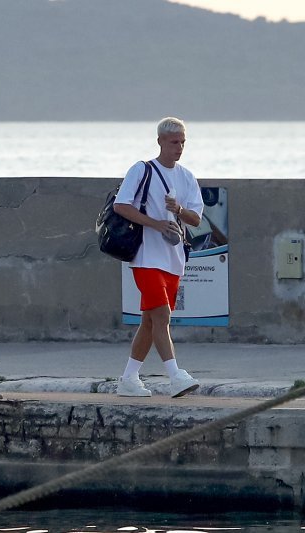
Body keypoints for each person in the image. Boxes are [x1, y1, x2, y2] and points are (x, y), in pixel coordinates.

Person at [112, 117, 204, 398]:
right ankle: (175, 376)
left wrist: (177, 210)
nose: (179, 147)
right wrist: (154, 223)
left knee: (150, 321)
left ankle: (128, 378)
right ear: (161, 141)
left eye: (183, 142)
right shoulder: (142, 170)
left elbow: (196, 218)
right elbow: (121, 205)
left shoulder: (186, 177)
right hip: (145, 256)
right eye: (174, 142)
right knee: (161, 315)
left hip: (173, 258)